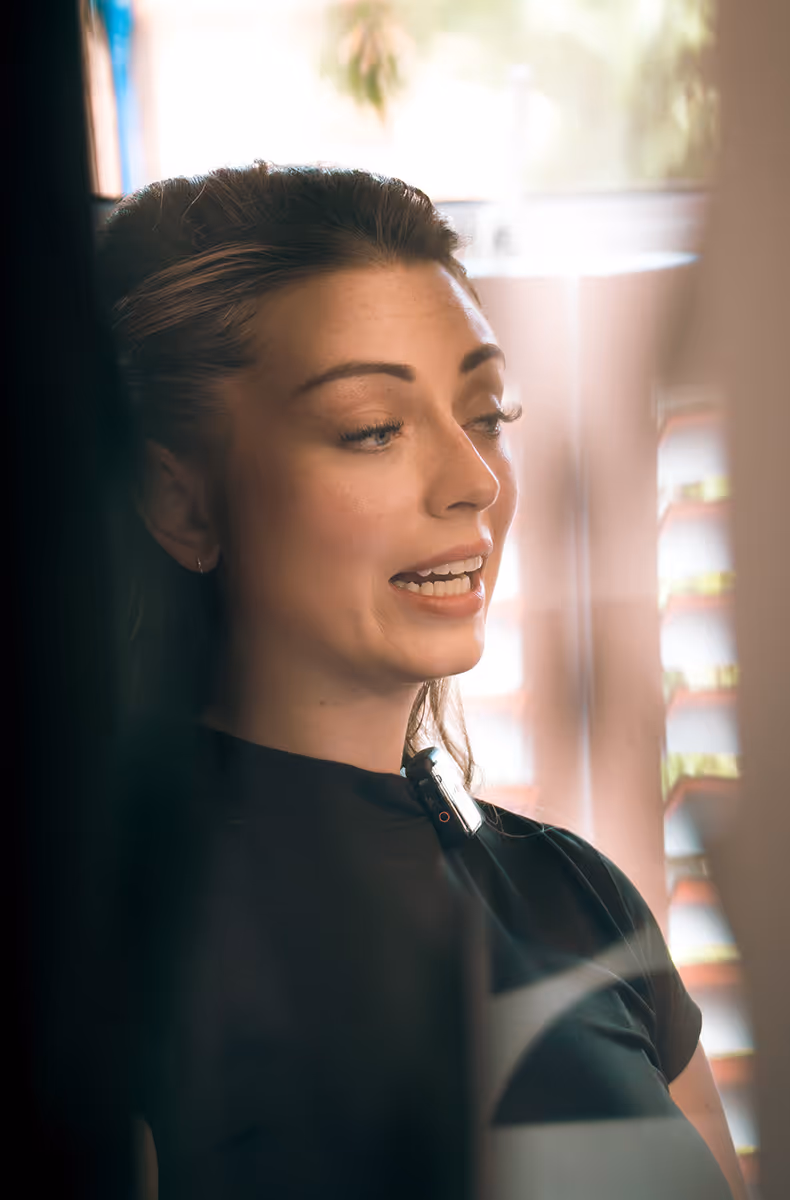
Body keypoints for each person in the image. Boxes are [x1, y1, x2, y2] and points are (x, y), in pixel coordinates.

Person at [97, 163, 746, 1200]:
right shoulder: (101, 944)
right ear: (181, 504)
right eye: (371, 427)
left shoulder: (578, 898)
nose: (476, 482)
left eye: (485, 413)